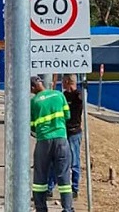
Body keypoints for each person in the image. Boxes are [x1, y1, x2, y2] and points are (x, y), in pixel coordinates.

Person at [30, 76, 73, 212]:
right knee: (64, 176)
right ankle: (67, 208)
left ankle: (41, 208)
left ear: (33, 87)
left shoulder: (34, 102)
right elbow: (67, 116)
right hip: (61, 139)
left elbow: (32, 126)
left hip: (44, 141)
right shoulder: (59, 95)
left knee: (40, 177)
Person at [47, 75, 83, 198]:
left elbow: (81, 97)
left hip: (74, 133)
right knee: (55, 160)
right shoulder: (63, 96)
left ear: (68, 82)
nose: (62, 84)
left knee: (74, 162)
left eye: (63, 82)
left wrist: (82, 88)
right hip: (62, 133)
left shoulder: (78, 96)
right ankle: (49, 188)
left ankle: (74, 188)